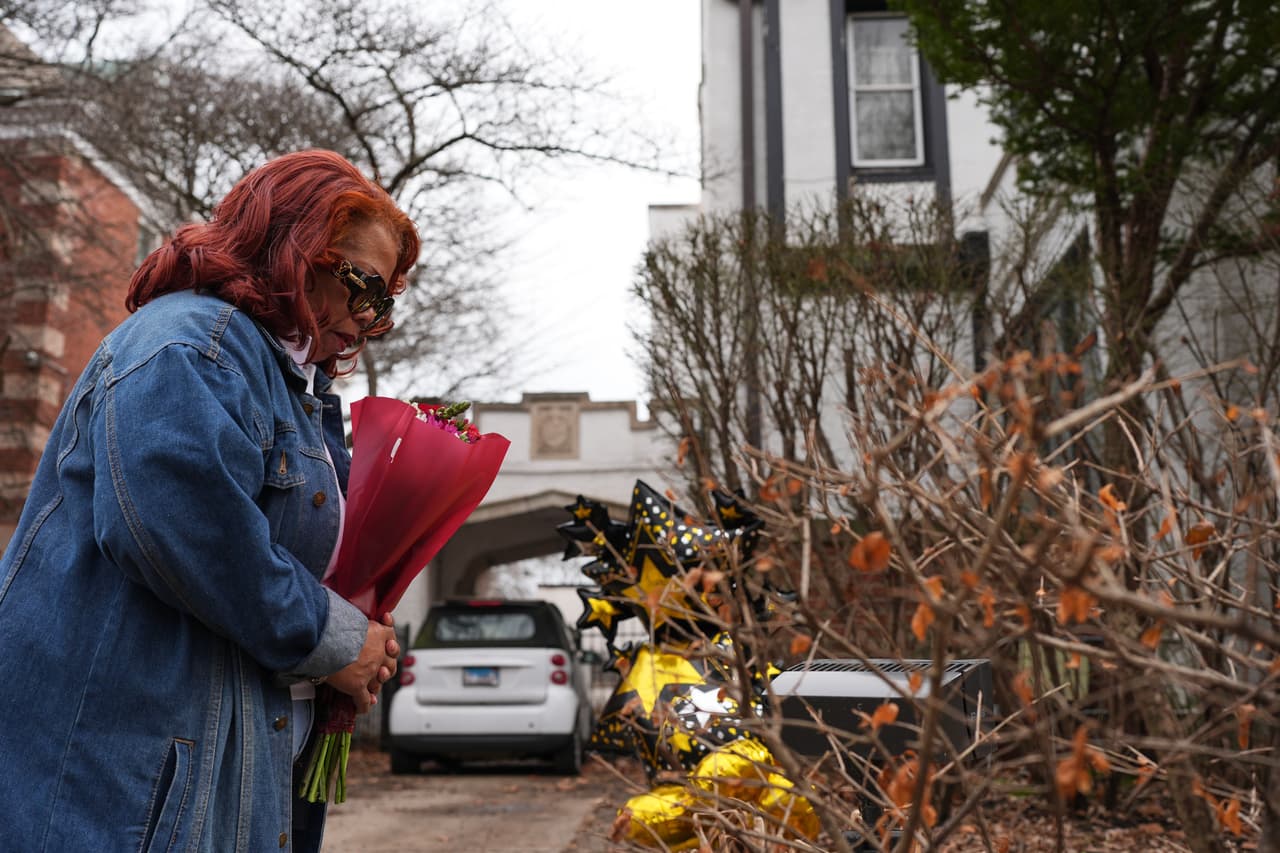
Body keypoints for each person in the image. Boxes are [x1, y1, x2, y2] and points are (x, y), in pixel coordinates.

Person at [0, 150, 419, 852]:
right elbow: (194, 540)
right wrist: (333, 639)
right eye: (361, 286)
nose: (370, 319)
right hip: (119, 796)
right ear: (292, 249)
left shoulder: (287, 383)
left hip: (202, 778)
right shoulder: (190, 350)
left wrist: (351, 652)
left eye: (385, 303)